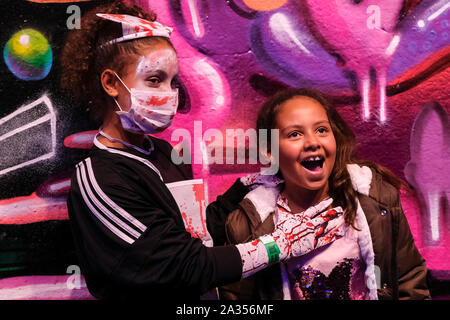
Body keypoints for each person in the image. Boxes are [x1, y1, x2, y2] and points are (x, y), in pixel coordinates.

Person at [60, 1, 345, 300]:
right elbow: (184, 266)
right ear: (110, 83)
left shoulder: (161, 151)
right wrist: (281, 244)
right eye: (154, 80)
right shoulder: (100, 179)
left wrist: (242, 189)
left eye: (173, 82)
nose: (170, 95)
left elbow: (195, 235)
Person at [208, 88, 431, 300]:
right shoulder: (251, 224)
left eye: (322, 130)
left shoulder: (374, 198)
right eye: (294, 134)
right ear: (270, 151)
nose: (313, 142)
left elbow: (408, 278)